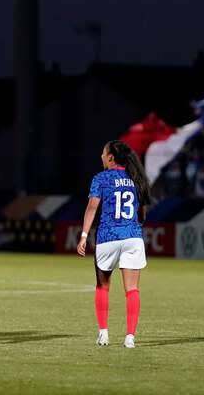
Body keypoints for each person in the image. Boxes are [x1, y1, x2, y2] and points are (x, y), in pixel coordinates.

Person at [77, 140, 151, 349]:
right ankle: (130, 338)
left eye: (103, 154)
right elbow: (142, 214)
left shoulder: (101, 178)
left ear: (110, 157)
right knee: (132, 290)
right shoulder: (137, 179)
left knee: (102, 286)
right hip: (132, 237)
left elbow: (92, 208)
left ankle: (103, 334)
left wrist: (83, 235)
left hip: (108, 237)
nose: (101, 157)